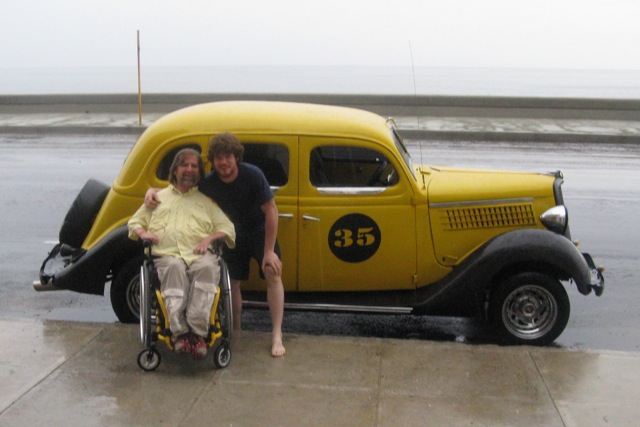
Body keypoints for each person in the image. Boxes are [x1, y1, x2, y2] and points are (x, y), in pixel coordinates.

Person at [146, 133, 286, 357]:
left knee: (272, 272)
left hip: (258, 231)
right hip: (230, 234)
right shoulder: (209, 182)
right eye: (218, 158)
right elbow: (179, 187)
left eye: (227, 157)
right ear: (213, 160)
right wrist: (150, 191)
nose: (223, 163)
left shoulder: (253, 175)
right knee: (232, 282)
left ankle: (277, 334)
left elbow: (271, 210)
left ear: (236, 157)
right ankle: (236, 329)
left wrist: (268, 251)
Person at [129, 148, 235, 360]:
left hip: (199, 256)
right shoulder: (157, 198)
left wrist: (209, 239)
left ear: (199, 172)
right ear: (175, 170)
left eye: (194, 166)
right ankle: (179, 333)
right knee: (175, 268)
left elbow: (228, 228)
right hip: (168, 256)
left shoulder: (205, 202)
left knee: (206, 267)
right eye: (184, 165)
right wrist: (144, 232)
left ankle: (196, 333)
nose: (189, 169)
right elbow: (134, 223)